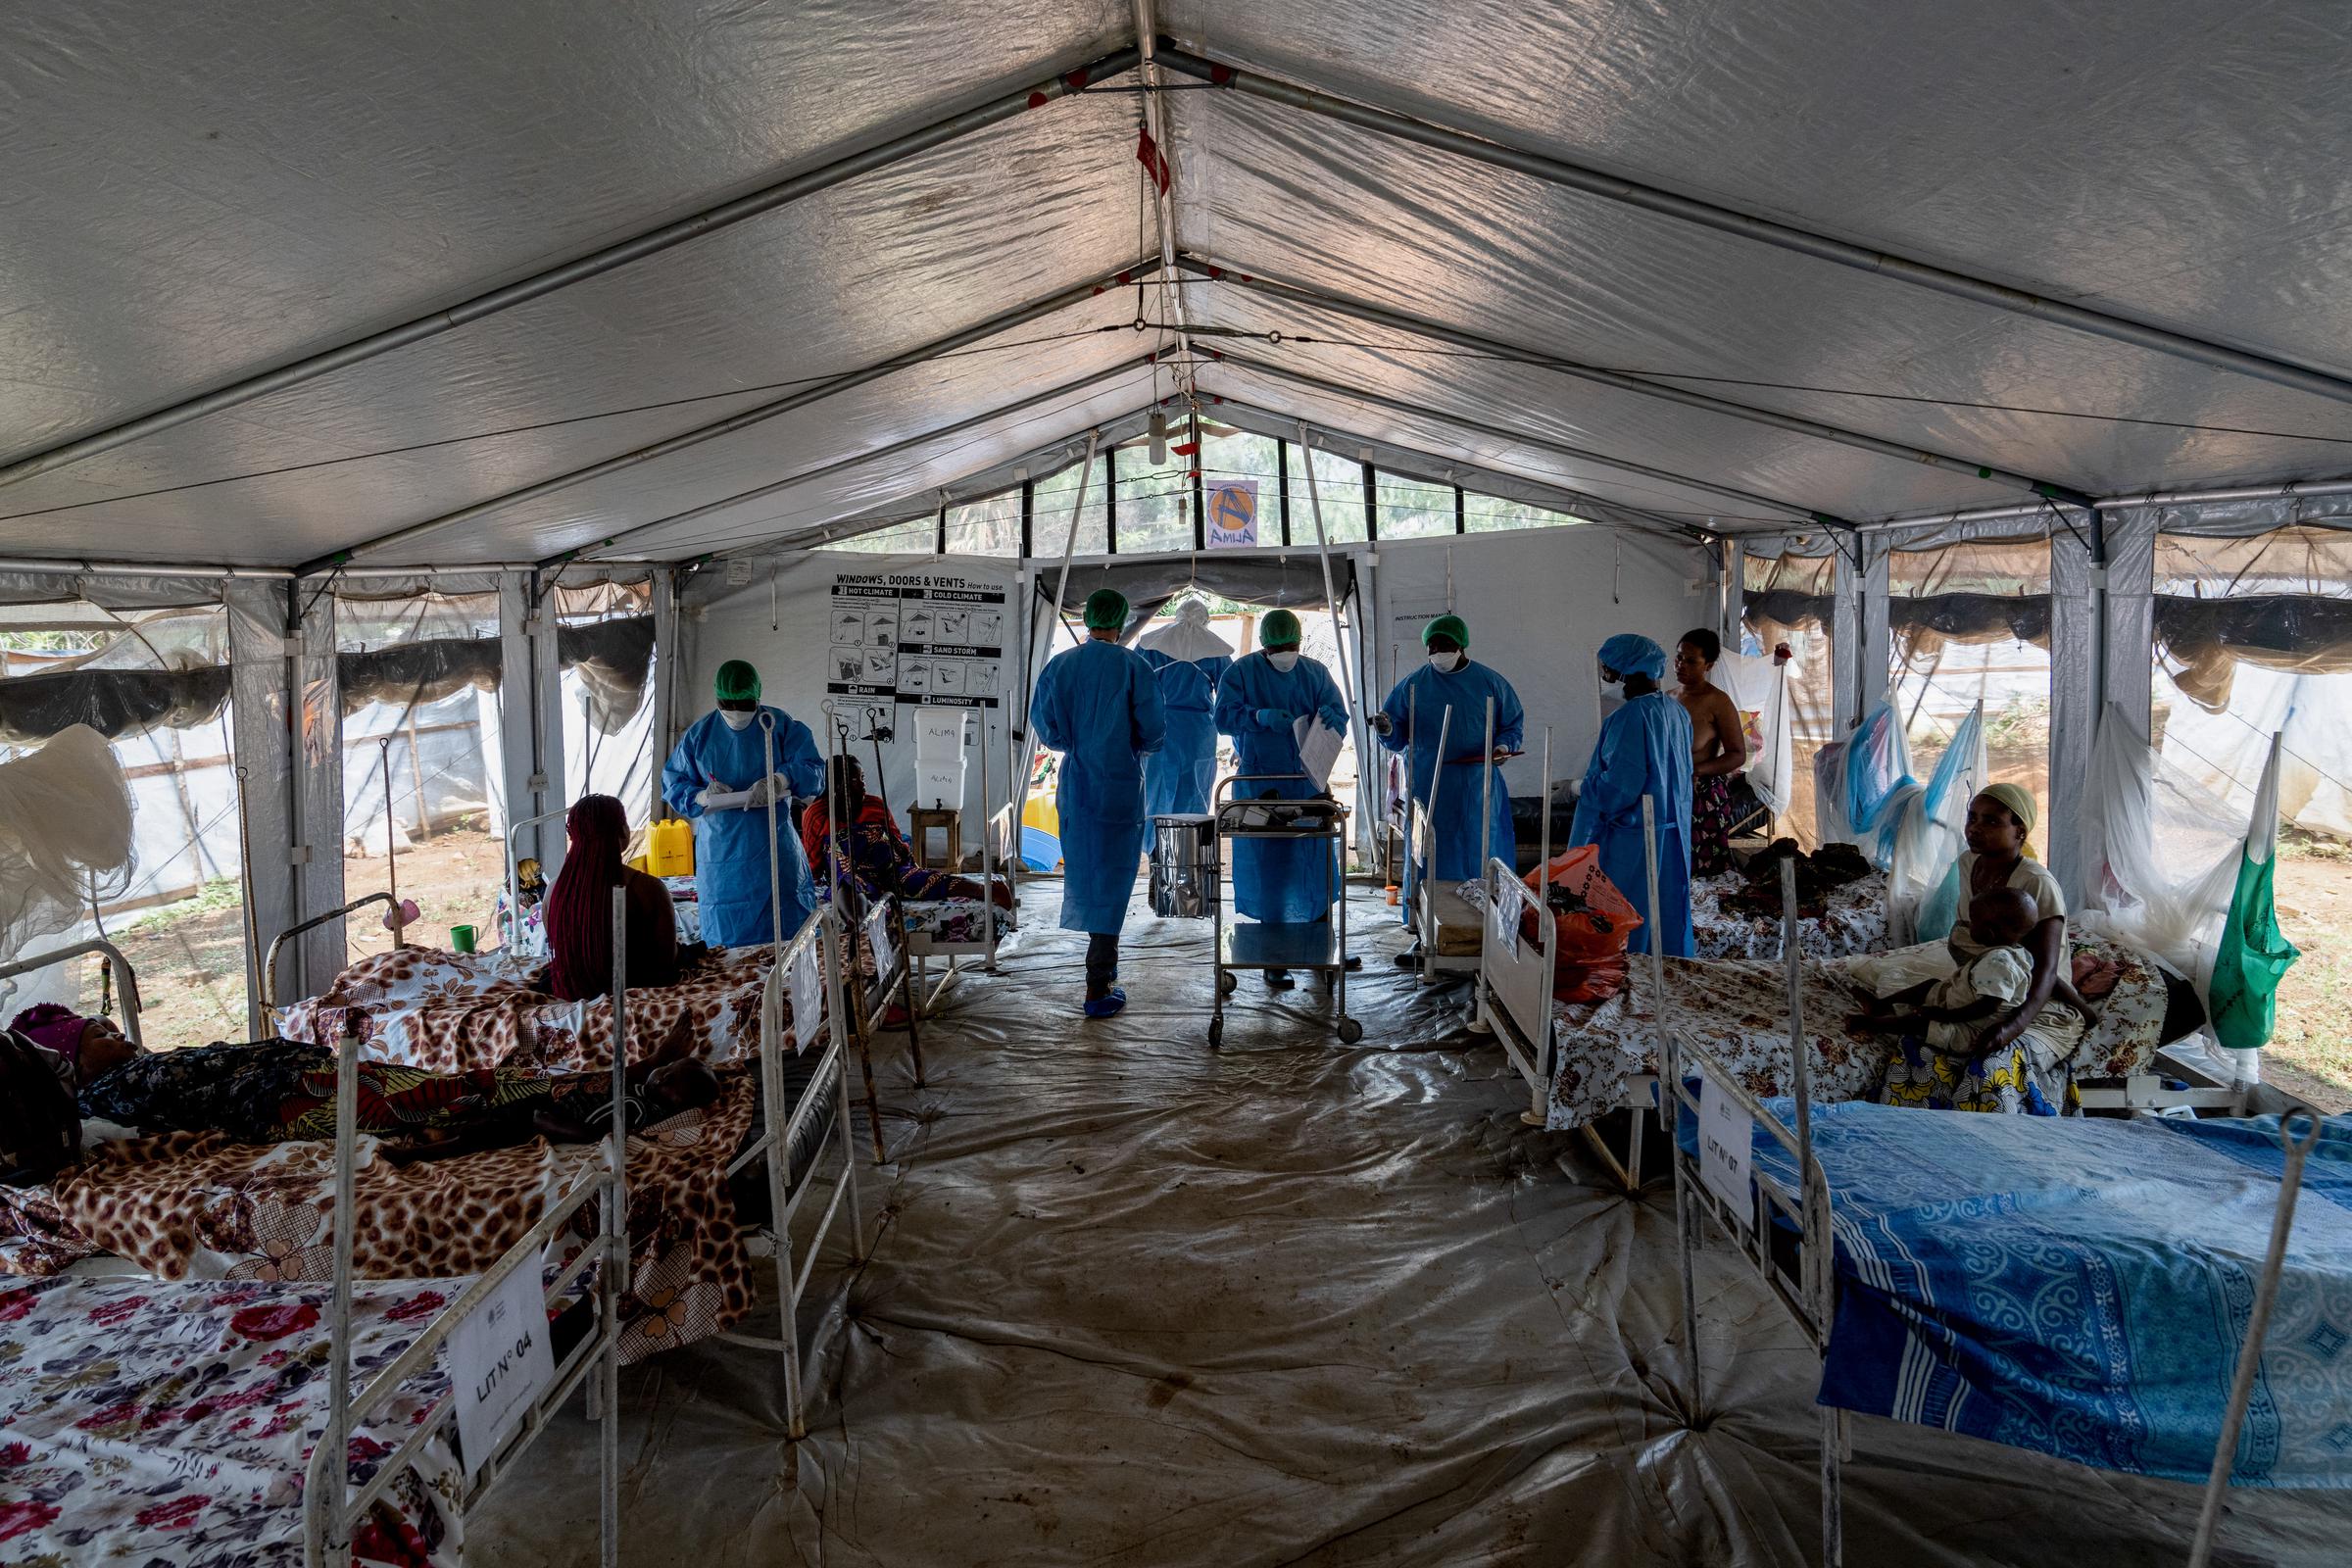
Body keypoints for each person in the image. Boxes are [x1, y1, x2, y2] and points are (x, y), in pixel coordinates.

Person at [0, 1010, 720, 1182]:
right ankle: (626, 1089)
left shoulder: (137, 1074)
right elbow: (228, 1094)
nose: (115, 1031)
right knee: (454, 1096)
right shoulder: (120, 1092)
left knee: (467, 1085)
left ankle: (627, 1079)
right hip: (306, 1101)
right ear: (73, 1062)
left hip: (319, 1080)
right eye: (96, 1033)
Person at [1859, 795, 2102, 1112]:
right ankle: (1915, 1128)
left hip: (2033, 998)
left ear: (2020, 832)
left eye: (1990, 821)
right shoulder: (1968, 863)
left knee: (1989, 1064)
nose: (1974, 828)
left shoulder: (2037, 883)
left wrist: (2011, 1027)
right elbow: (1976, 940)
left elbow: (2044, 971)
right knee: (1922, 1027)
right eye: (1972, 817)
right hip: (1985, 979)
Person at [1028, 587, 1166, 1017]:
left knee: (1087, 871)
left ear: (1088, 619)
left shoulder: (1060, 666)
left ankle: (1100, 972)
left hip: (1079, 784)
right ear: (1122, 621)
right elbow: (1154, 731)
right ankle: (1099, 981)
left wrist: (1079, 741)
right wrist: (1127, 744)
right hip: (1121, 785)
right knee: (1114, 877)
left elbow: (1047, 728)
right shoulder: (1134, 666)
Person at [1212, 610, 1352, 987]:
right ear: (1264, 645)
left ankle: (1321, 948)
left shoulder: (1315, 673)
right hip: (1261, 785)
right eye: (1278, 648)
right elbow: (1222, 717)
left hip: (1307, 783)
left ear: (1299, 642)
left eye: (1290, 646)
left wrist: (1331, 717)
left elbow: (1340, 714)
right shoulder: (1240, 673)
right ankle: (1274, 957)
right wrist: (1258, 716)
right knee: (1271, 868)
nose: (1285, 653)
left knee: (1316, 865)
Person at [1374, 614, 1524, 965]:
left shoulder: (1490, 683)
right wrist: (1384, 728)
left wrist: (1502, 749)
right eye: (1433, 647)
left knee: (1479, 854)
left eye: (1445, 646)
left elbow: (1512, 725)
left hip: (1476, 786)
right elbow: (1396, 736)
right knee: (1429, 857)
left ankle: (1486, 936)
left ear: (1462, 645)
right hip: (1430, 786)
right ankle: (1423, 932)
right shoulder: (1413, 685)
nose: (1438, 653)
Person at [661, 661, 824, 950]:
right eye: (729, 703)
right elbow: (674, 782)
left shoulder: (779, 726)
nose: (737, 710)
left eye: (745, 703)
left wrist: (780, 779)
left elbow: (814, 771)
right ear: (717, 699)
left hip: (774, 850)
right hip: (722, 860)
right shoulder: (699, 736)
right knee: (727, 952)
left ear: (758, 697)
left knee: (787, 944)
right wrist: (699, 795)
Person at [1569, 633, 1694, 957]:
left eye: (1607, 669)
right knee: (1664, 910)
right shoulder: (1676, 712)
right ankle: (1665, 974)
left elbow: (1619, 789)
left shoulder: (1628, 718)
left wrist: (1580, 788)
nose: (1604, 676)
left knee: (1625, 914)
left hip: (1633, 839)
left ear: (1623, 670)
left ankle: (1625, 975)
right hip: (1671, 832)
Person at [801, 756, 1013, 908]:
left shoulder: (875, 805)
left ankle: (985, 891)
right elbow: (814, 864)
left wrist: (908, 864)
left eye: (864, 778)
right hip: (852, 875)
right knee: (847, 884)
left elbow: (896, 841)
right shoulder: (817, 814)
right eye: (857, 780)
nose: (864, 786)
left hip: (891, 869)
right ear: (838, 785)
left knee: (925, 880)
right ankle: (859, 920)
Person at [544, 794, 686, 1002]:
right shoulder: (648, 888)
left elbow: (562, 950)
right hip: (635, 995)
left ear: (573, 836)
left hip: (571, 993)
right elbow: (666, 961)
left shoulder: (554, 890)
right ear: (621, 831)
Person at [1135, 598, 1233, 816]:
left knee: (1154, 791)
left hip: (1157, 728)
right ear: (1206, 622)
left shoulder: (1149, 646)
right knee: (1194, 793)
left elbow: (1133, 690)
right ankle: (1190, 844)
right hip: (1196, 735)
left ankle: (1155, 847)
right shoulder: (1216, 652)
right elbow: (1230, 700)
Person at [1672, 629, 1748, 878]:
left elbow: (1737, 754)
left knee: (1704, 873)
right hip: (1669, 792)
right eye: (1679, 657)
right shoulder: (1668, 698)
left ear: (1709, 665)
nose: (1681, 664)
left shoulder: (1718, 702)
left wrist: (1696, 771)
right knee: (1671, 866)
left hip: (1702, 797)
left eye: (1691, 660)